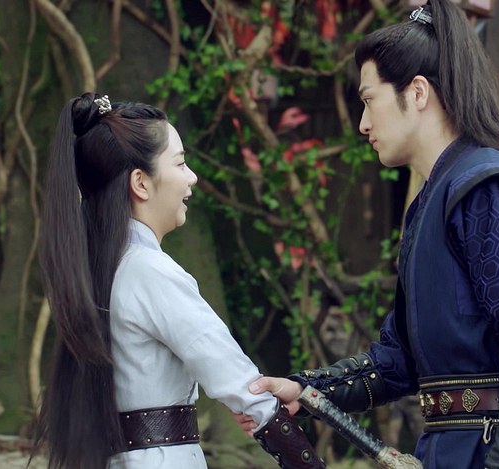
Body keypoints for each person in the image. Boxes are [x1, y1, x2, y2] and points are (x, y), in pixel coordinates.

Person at [238, 2, 499, 468]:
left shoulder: (489, 188)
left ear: (418, 92)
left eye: (369, 100)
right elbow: (398, 360)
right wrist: (306, 391)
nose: (363, 123)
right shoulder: (431, 202)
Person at [36, 93, 325, 469]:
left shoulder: (97, 270)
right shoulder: (149, 272)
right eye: (180, 163)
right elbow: (239, 383)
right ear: (141, 183)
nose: (192, 178)